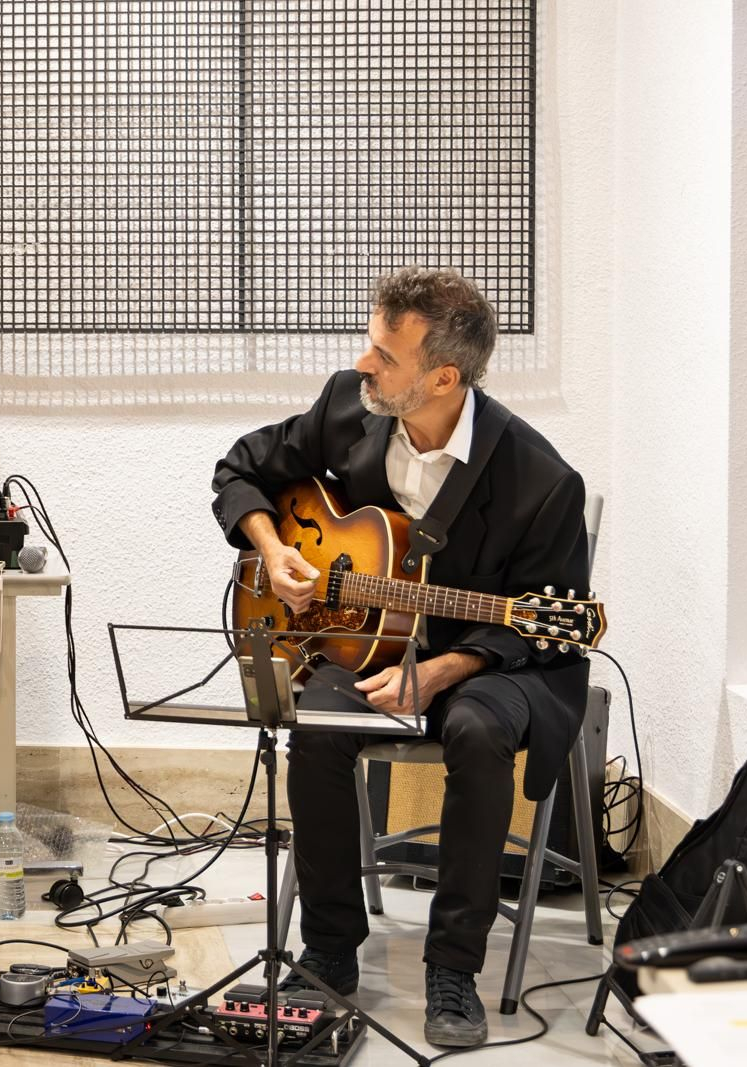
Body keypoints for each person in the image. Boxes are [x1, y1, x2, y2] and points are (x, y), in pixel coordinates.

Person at [211, 267, 591, 1048]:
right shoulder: (349, 408)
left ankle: (453, 966)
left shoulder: (541, 480)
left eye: (385, 353)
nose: (363, 363)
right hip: (358, 643)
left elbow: (538, 626)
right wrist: (275, 547)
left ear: (443, 376)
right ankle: (329, 946)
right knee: (313, 730)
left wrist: (445, 669)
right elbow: (240, 468)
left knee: (478, 735)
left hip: (487, 661)